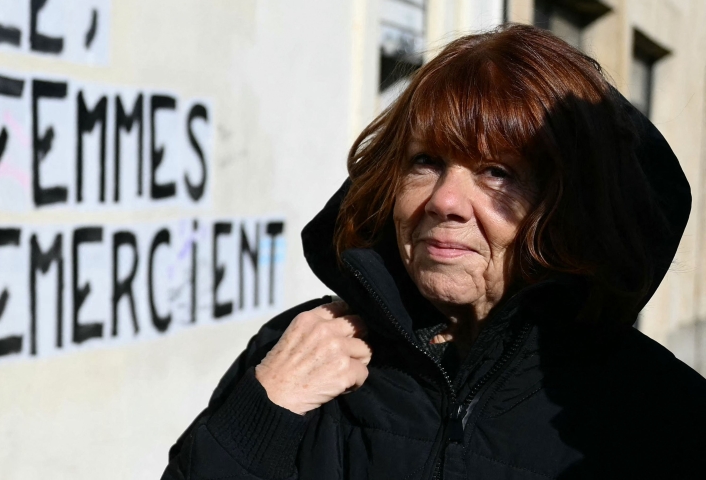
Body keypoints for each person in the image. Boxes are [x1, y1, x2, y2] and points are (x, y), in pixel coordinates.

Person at [162, 25, 706, 479]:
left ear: (570, 206)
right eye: (425, 162)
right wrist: (264, 414)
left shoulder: (661, 414)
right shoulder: (298, 352)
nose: (444, 199)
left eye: (498, 172)